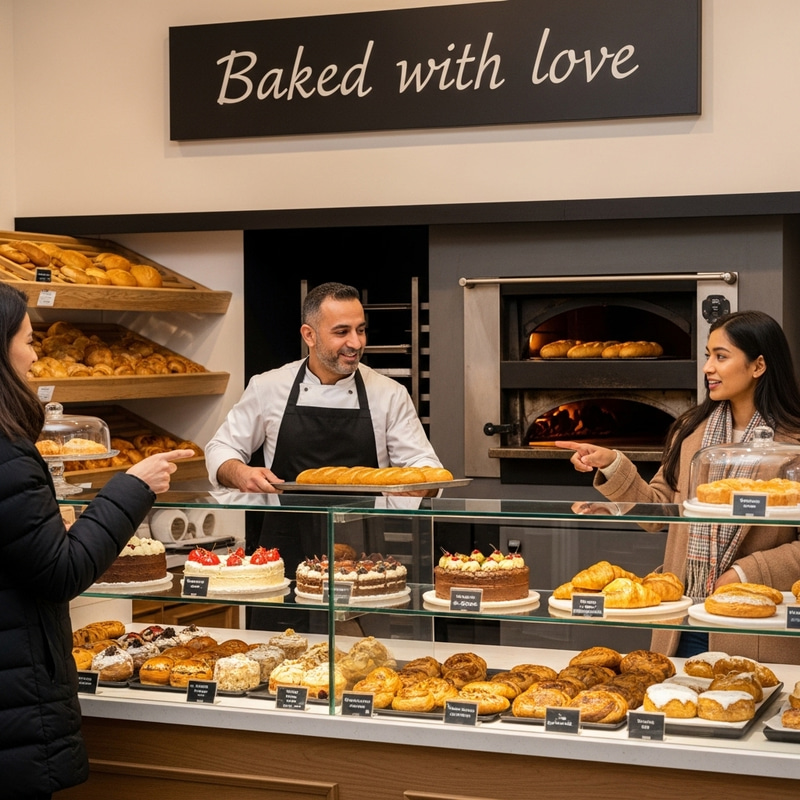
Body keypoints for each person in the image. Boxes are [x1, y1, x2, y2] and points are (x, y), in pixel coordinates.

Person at [0, 283, 194, 799]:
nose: (35, 353)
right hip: (14, 698)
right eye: (26, 339)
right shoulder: (9, 456)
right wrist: (132, 488)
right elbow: (61, 572)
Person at [557, 310, 800, 663]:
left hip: (753, 625)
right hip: (682, 620)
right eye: (707, 355)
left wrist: (746, 572)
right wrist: (612, 464)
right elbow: (659, 513)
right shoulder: (691, 431)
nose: (707, 368)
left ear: (758, 365)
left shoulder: (793, 444)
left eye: (721, 356)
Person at [205, 281, 443, 626]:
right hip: (281, 555)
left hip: (361, 562)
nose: (356, 343)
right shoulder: (269, 387)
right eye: (342, 332)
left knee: (361, 665)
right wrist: (240, 472)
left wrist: (421, 484)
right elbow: (220, 449)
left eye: (361, 330)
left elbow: (425, 466)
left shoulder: (389, 394)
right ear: (309, 335)